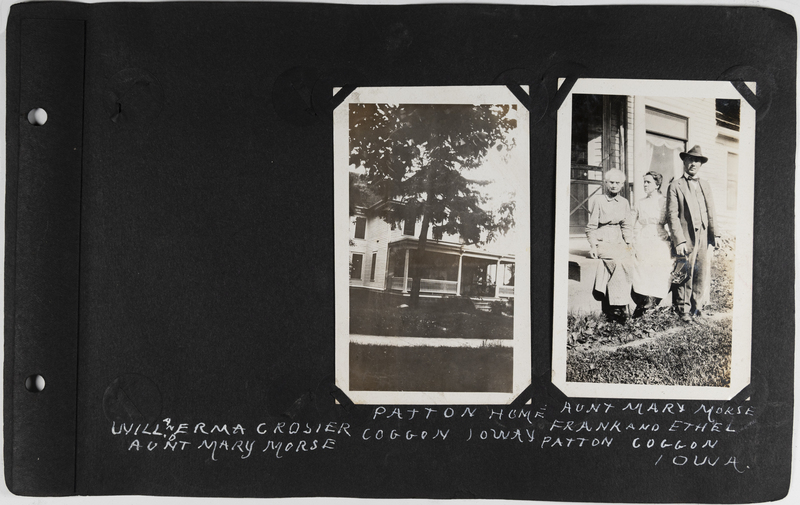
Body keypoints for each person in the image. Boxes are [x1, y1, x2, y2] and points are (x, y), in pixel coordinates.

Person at [667, 145, 717, 323]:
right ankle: (683, 310)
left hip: (703, 234)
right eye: (690, 160)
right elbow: (672, 215)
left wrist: (715, 234)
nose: (693, 163)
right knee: (685, 270)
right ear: (684, 161)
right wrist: (678, 240)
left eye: (697, 160)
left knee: (701, 271)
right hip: (686, 236)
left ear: (701, 164)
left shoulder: (705, 184)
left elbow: (711, 210)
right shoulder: (675, 185)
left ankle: (698, 307)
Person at [586, 169, 635, 323]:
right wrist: (593, 246)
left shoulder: (624, 202)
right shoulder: (599, 200)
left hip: (619, 240)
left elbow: (627, 226)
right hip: (603, 241)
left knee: (629, 262)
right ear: (606, 183)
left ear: (622, 184)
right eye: (611, 182)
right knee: (618, 263)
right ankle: (618, 308)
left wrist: (629, 245)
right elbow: (591, 226)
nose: (614, 185)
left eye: (618, 183)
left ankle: (619, 305)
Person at [631, 171, 673, 318]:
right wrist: (634, 241)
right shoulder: (640, 203)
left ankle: (653, 303)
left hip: (659, 238)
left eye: (648, 182)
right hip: (643, 238)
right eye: (644, 182)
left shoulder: (664, 201)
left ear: (657, 184)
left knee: (661, 268)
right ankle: (642, 304)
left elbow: (672, 222)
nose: (645, 185)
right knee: (641, 270)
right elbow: (634, 224)